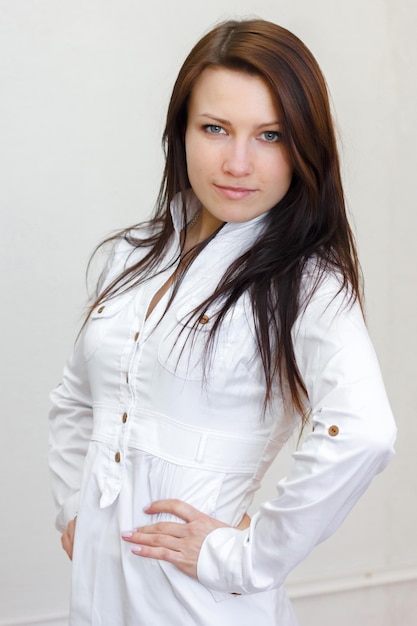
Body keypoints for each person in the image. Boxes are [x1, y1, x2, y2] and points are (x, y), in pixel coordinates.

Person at [49, 18, 396, 626]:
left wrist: (246, 558)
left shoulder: (307, 282)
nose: (238, 162)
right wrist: (75, 505)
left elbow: (364, 432)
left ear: (303, 149)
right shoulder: (131, 254)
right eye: (215, 128)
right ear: (180, 131)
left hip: (199, 601)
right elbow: (76, 398)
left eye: (270, 135)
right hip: (103, 589)